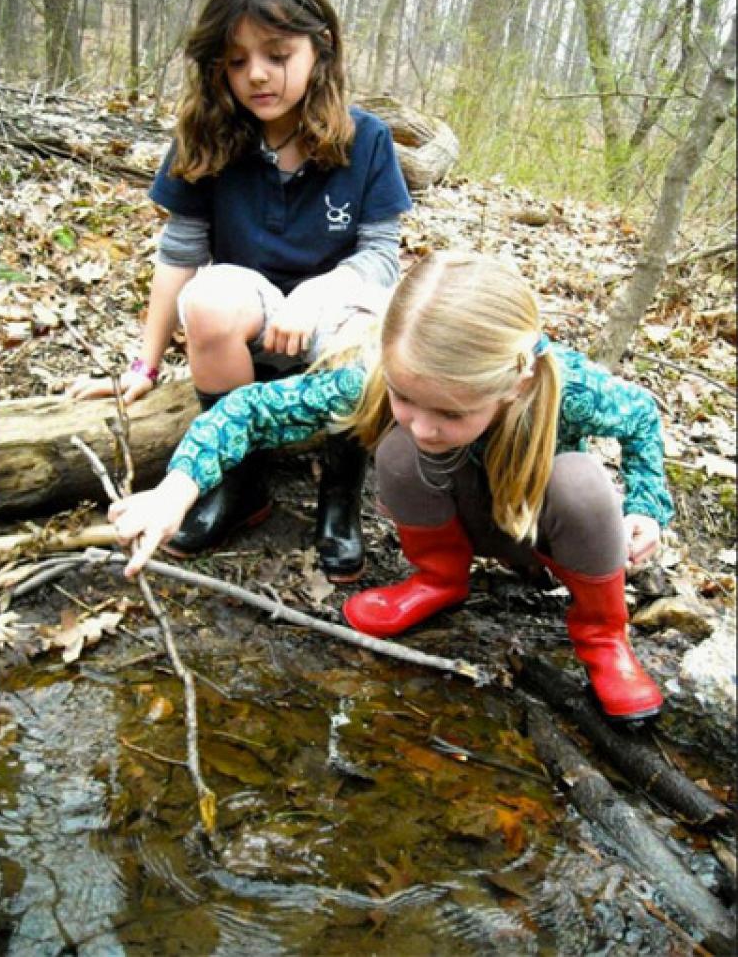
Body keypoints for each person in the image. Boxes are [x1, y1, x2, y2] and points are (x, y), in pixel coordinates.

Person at [109, 251, 674, 723]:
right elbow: (249, 411)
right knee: (400, 449)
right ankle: (438, 580)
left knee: (583, 481)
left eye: (451, 412)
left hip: (537, 529)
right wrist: (176, 490)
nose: (424, 422)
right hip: (454, 516)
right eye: (406, 397)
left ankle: (603, 636)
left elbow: (643, 417)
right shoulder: (384, 378)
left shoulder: (565, 386)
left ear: (515, 382)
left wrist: (647, 506)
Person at [70, 0, 412, 584]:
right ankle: (239, 482)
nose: (257, 74)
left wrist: (318, 293)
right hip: (244, 316)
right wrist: (142, 367)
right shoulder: (207, 135)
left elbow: (383, 258)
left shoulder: (367, 139)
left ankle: (341, 492)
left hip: (334, 318)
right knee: (207, 300)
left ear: (321, 49)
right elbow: (180, 253)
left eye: (278, 54)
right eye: (235, 61)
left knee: (363, 324)